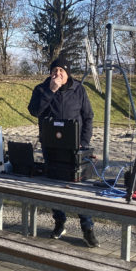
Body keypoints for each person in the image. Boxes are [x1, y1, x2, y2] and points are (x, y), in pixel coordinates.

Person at [28, 55, 99, 248]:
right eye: (54, 70)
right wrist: (50, 91)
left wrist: (84, 142)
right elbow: (34, 111)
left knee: (79, 189)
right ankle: (59, 222)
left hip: (75, 147)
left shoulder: (79, 89)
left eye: (61, 70)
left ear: (67, 73)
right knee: (54, 187)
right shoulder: (41, 89)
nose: (57, 73)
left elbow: (88, 117)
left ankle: (87, 228)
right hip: (51, 146)